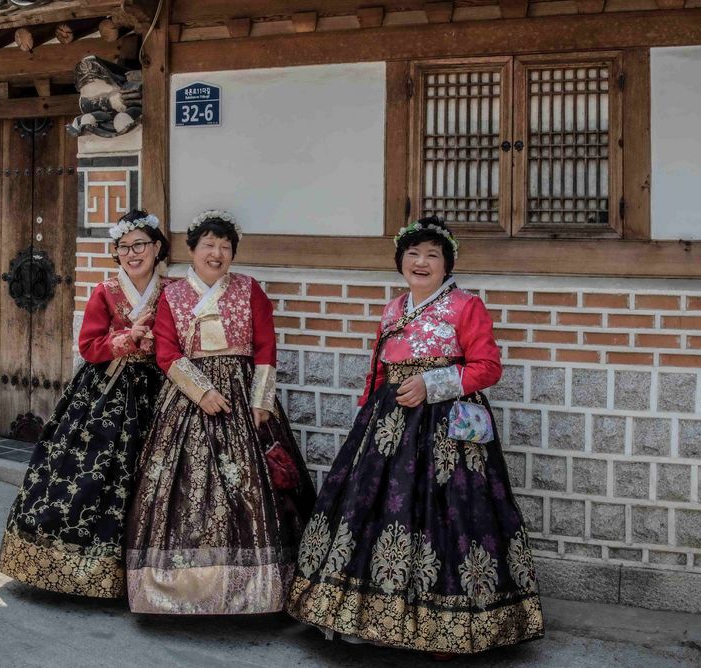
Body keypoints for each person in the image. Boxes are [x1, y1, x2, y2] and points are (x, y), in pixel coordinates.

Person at [287, 216, 543, 655]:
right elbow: (378, 371)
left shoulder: (466, 306)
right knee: (375, 507)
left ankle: (451, 623)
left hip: (448, 428)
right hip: (388, 425)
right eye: (412, 254)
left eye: (432, 255)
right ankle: (363, 614)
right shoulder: (393, 308)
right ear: (400, 261)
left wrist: (432, 385)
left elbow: (488, 368)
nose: (421, 262)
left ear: (447, 264)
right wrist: (366, 414)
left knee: (450, 513)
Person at [125, 209, 315, 615]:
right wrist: (201, 392)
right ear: (192, 250)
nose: (217, 253)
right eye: (208, 245)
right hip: (190, 393)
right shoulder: (172, 295)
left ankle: (257, 590)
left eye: (225, 247)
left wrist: (261, 400)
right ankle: (181, 588)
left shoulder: (249, 289)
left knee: (253, 486)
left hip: (244, 394)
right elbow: (166, 352)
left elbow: (265, 347)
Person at [0, 209, 171, 598]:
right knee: (87, 469)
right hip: (106, 392)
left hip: (159, 389)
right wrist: (126, 339)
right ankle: (73, 567)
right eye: (124, 247)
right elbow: (90, 347)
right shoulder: (104, 292)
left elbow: (180, 343)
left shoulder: (172, 293)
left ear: (157, 247)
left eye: (140, 244)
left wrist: (153, 341)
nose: (132, 253)